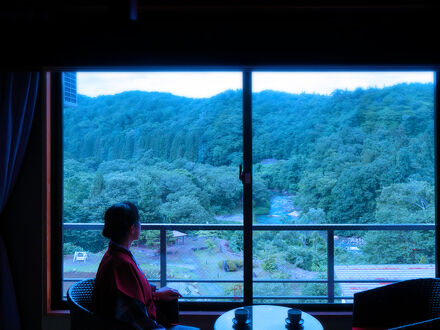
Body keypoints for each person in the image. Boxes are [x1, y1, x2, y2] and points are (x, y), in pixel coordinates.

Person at [93, 201, 199, 330]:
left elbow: (130, 295)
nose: (141, 225)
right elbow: (134, 314)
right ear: (132, 228)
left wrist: (156, 294)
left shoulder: (115, 254)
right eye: (139, 221)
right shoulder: (121, 264)